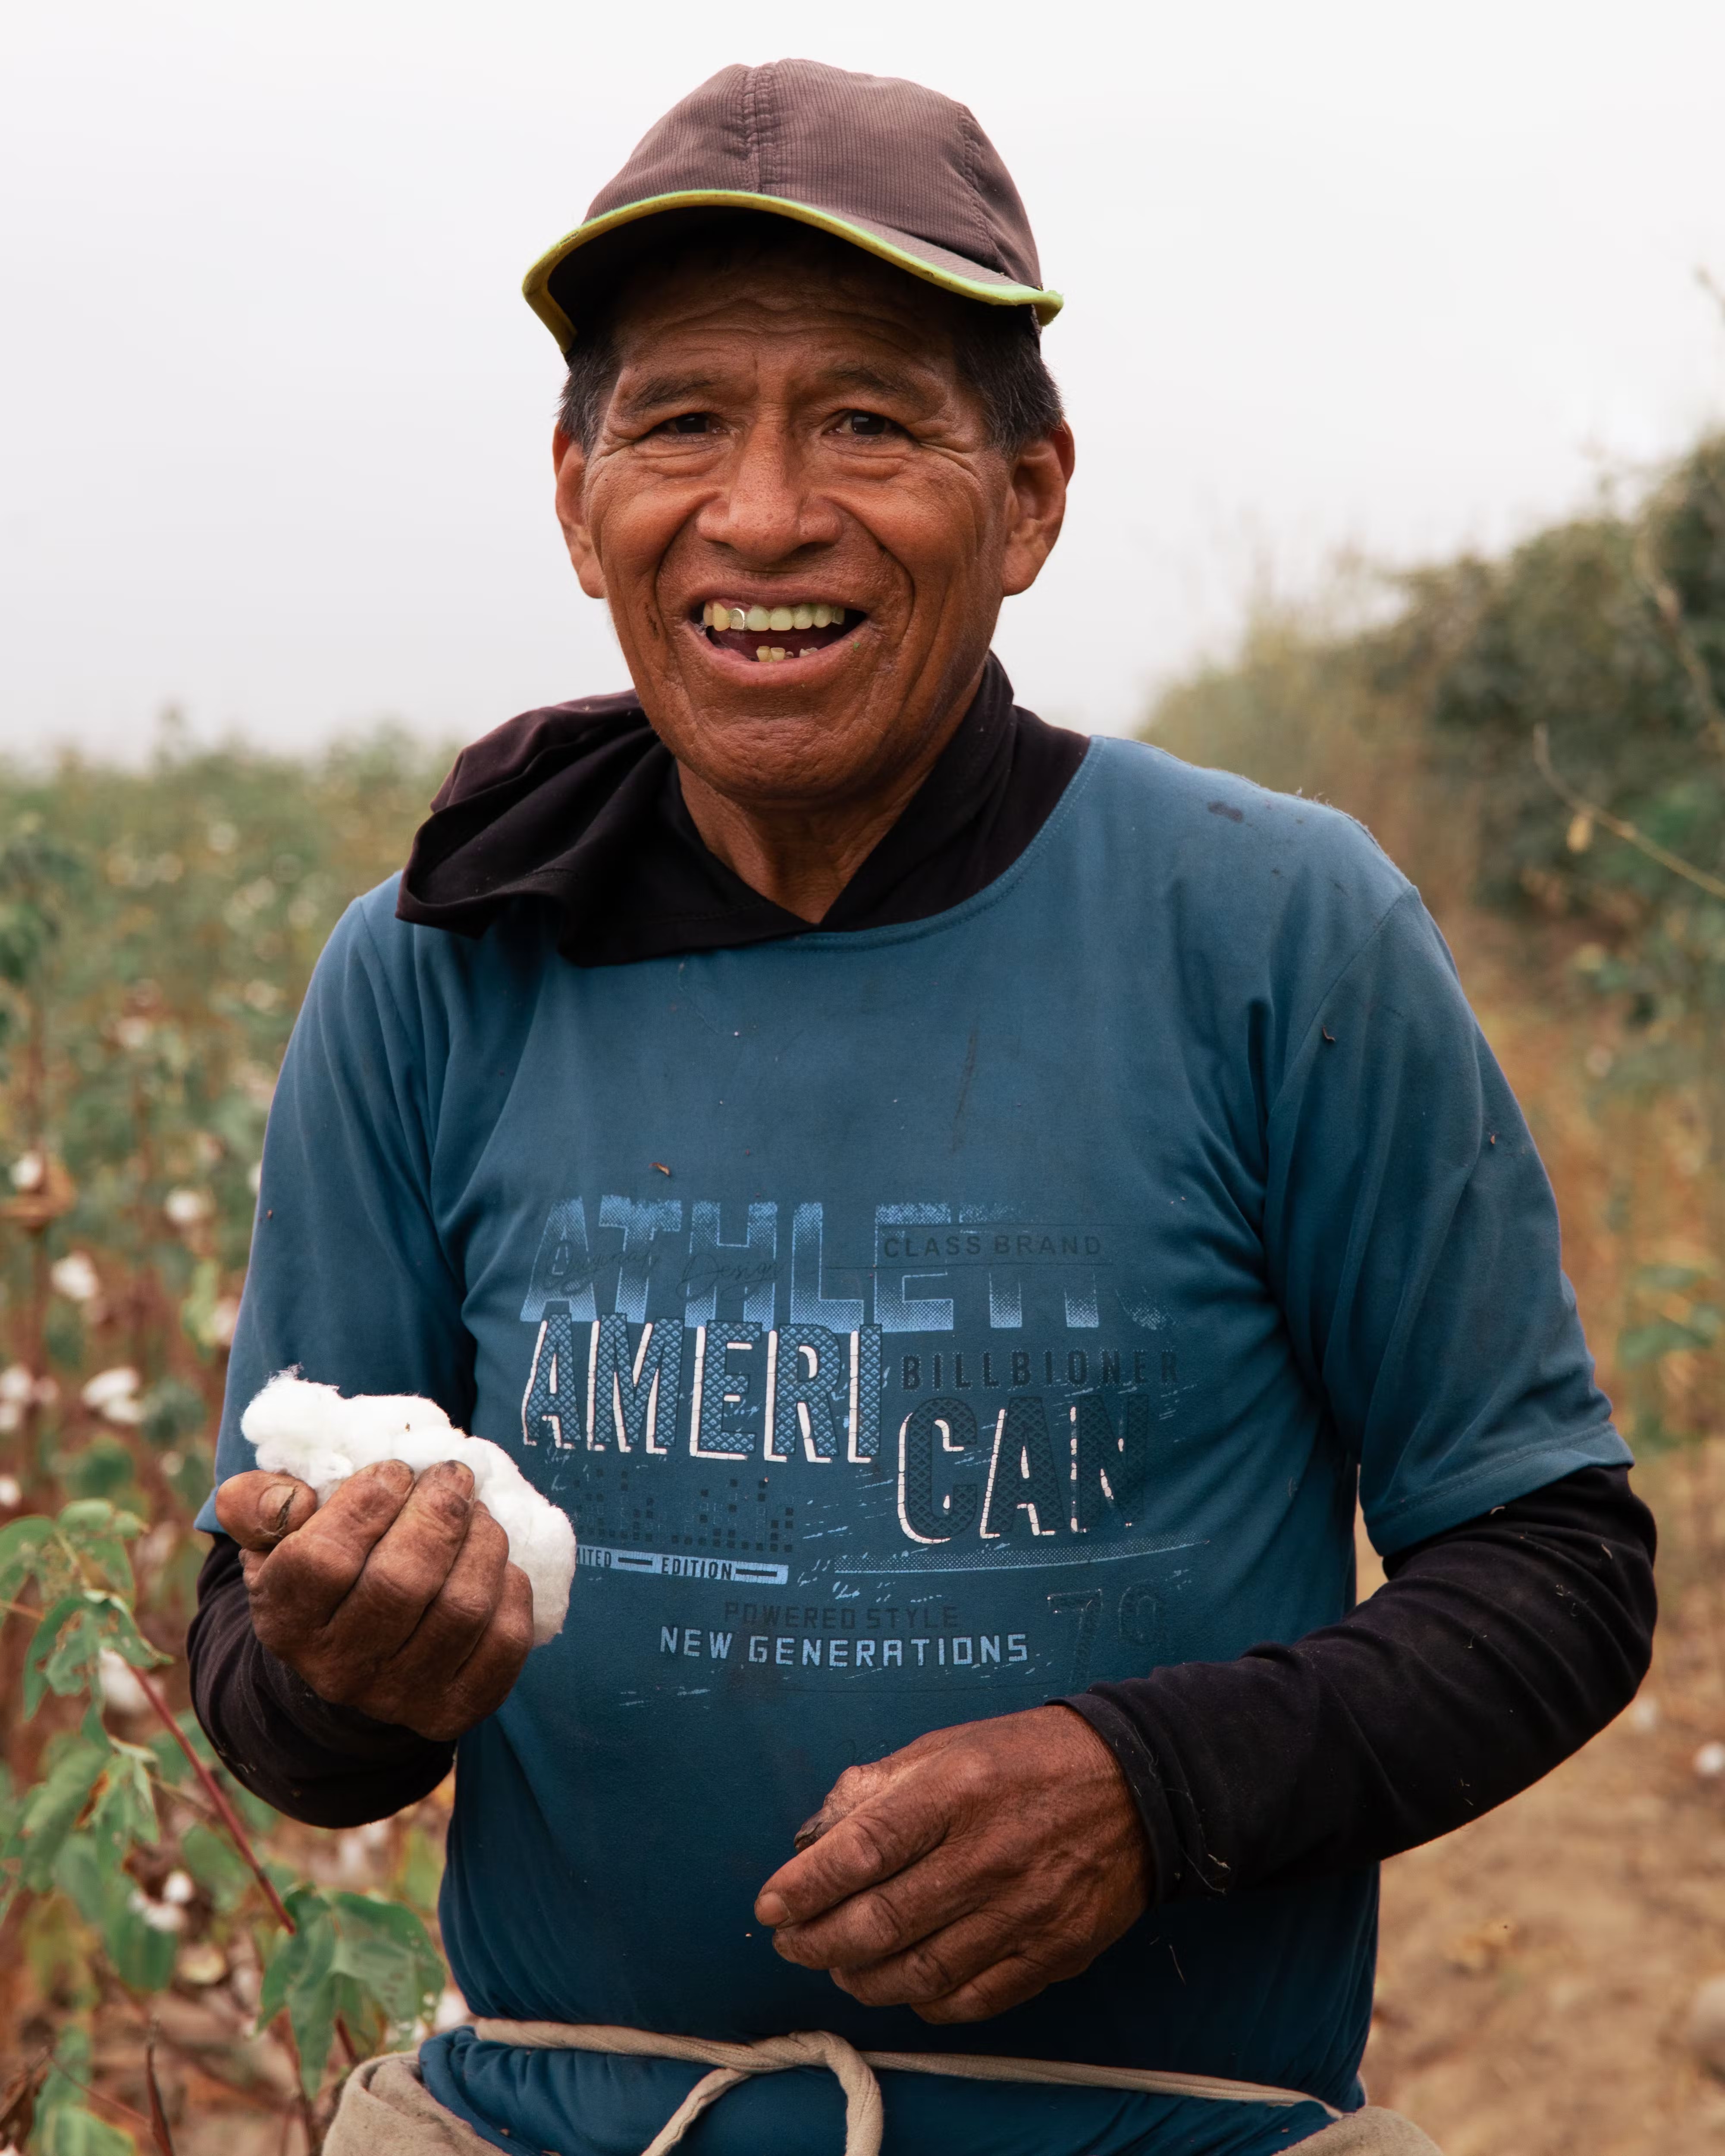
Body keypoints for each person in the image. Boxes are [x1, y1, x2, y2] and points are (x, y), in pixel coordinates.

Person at [188, 59, 1656, 2156]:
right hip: (553, 2121)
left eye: (869, 421)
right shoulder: (434, 966)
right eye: (682, 421)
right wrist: (353, 1662)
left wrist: (1152, 1788)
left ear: (1033, 496)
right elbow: (268, 1693)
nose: (765, 512)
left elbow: (1553, 1563)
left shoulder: (1267, 928)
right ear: (576, 490)